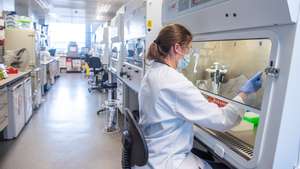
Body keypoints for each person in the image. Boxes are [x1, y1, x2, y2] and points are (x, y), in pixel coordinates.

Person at [138, 24, 262, 169]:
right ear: (177, 48)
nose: (189, 54)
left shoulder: (152, 72)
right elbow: (223, 120)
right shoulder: (175, 82)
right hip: (168, 161)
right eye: (189, 48)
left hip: (152, 154)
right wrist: (244, 93)